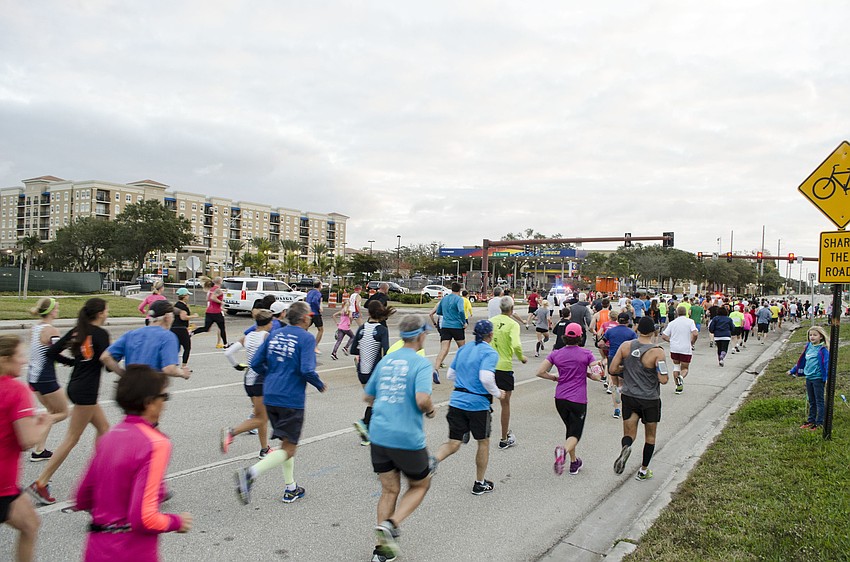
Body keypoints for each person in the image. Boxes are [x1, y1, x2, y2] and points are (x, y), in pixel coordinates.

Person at [73, 364, 192, 561]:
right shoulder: (156, 443)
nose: (165, 403)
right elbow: (145, 518)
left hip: (96, 549)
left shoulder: (109, 436)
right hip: (132, 551)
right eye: (164, 397)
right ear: (149, 402)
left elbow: (82, 498)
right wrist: (176, 522)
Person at [235, 302, 328, 506]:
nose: (311, 318)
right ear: (304, 318)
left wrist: (274, 374)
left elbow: (257, 363)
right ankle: (250, 473)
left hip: (270, 394)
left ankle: (290, 487)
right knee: (289, 448)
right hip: (290, 398)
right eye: (310, 315)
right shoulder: (306, 338)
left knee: (286, 442)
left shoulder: (275, 334)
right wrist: (319, 384)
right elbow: (306, 370)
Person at [363, 315, 435, 562]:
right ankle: (392, 524)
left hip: (379, 434)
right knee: (421, 484)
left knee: (389, 490)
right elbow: (422, 399)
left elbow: (368, 397)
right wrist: (431, 410)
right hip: (405, 437)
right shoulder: (421, 363)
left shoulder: (386, 361)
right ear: (420, 335)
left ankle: (381, 550)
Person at [28, 299, 111, 506]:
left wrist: (74, 362)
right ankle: (41, 482)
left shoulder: (79, 330)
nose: (108, 313)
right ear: (100, 313)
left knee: (104, 429)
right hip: (86, 392)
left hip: (76, 386)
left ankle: (100, 476)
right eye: (106, 310)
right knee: (72, 438)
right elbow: (108, 364)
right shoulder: (99, 334)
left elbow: (52, 351)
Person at [432, 320, 502, 496]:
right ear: (491, 335)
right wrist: (499, 394)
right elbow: (486, 378)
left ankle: (432, 461)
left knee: (454, 442)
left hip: (457, 401)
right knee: (483, 441)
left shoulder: (464, 349)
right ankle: (479, 482)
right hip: (478, 404)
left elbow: (450, 374)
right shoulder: (490, 352)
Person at [0, 335, 49, 562]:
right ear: (6, 359)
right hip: (1, 484)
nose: (24, 361)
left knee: (30, 524)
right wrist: (44, 423)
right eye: (20, 356)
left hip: (7, 488)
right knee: (30, 525)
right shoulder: (15, 391)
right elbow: (28, 440)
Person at [536, 323, 604, 475]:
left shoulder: (556, 354)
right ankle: (563, 452)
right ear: (580, 337)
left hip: (560, 398)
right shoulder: (587, 354)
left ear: (565, 337)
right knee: (576, 433)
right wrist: (591, 373)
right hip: (578, 399)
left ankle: (574, 463)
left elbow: (540, 372)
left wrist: (554, 378)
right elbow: (598, 375)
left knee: (570, 429)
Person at [609, 317, 668, 481]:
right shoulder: (657, 351)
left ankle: (626, 447)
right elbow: (663, 379)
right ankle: (643, 470)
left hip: (629, 396)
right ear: (653, 332)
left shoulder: (626, 346)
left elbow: (613, 369)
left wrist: (627, 368)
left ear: (637, 329)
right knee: (650, 436)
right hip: (650, 399)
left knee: (630, 432)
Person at [222, 309, 274, 458]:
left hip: (248, 379)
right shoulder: (267, 337)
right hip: (260, 380)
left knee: (260, 415)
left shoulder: (248, 336)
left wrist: (236, 365)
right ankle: (231, 432)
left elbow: (228, 352)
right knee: (261, 418)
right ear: (268, 323)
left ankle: (265, 449)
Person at [101, 300, 191, 380]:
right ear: (167, 317)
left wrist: (123, 374)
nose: (173, 319)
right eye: (173, 316)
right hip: (151, 390)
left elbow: (105, 357)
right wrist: (183, 373)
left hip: (129, 391)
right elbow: (169, 369)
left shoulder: (131, 334)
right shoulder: (168, 337)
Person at [26, 297, 67, 462]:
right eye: (56, 308)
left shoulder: (35, 327)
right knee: (63, 412)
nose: (58, 310)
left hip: (32, 377)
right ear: (50, 311)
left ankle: (39, 450)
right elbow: (57, 352)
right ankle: (34, 435)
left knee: (50, 411)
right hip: (45, 377)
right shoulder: (51, 330)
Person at [351, 301, 394, 446]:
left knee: (374, 400)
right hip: (375, 371)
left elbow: (353, 350)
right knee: (380, 401)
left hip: (362, 371)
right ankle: (364, 424)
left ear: (368, 313)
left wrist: (363, 350)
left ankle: (368, 434)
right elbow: (387, 351)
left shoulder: (362, 328)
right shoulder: (382, 330)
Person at [489, 296, 527, 450]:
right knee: (505, 403)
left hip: (488, 365)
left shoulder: (491, 321)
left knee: (485, 399)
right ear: (511, 310)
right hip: (504, 367)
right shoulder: (513, 324)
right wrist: (521, 357)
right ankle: (504, 438)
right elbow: (516, 344)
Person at [788, 326, 829, 431]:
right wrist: (793, 370)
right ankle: (811, 420)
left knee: (819, 400)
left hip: (818, 378)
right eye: (810, 335)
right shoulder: (808, 346)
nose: (812, 337)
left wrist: (827, 377)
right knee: (811, 400)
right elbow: (802, 361)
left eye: (815, 335)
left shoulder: (822, 350)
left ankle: (819, 422)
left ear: (821, 337)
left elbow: (826, 364)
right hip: (809, 377)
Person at [601, 312, 637, 418]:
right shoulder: (631, 333)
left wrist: (608, 348)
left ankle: (616, 409)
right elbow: (635, 346)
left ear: (618, 320)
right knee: (625, 383)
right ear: (628, 321)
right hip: (625, 359)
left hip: (612, 357)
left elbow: (601, 343)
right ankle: (625, 405)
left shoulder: (610, 331)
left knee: (614, 383)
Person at [429, 282, 466, 383]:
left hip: (445, 325)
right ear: (460, 290)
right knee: (462, 349)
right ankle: (462, 370)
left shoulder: (444, 299)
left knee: (444, 349)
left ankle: (436, 369)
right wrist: (464, 322)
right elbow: (461, 311)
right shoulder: (459, 299)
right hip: (457, 326)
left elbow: (439, 311)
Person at [661, 306, 698, 395]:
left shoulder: (672, 323)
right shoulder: (690, 322)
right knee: (685, 368)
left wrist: (671, 340)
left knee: (676, 366)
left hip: (674, 348)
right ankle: (681, 377)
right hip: (685, 348)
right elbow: (695, 333)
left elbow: (664, 336)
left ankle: (678, 387)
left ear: (676, 313)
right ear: (685, 313)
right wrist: (692, 341)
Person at [190, 277, 230, 348]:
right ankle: (225, 344)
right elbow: (213, 298)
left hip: (209, 311)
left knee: (206, 328)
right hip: (216, 312)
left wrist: (222, 309)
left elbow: (208, 299)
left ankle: (192, 332)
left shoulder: (210, 290)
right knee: (222, 328)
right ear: (220, 282)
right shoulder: (218, 290)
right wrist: (221, 302)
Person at [171, 288, 198, 369]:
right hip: (181, 329)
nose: (188, 297)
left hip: (173, 328)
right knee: (187, 347)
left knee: (176, 347)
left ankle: (173, 364)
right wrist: (193, 316)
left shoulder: (176, 305)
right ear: (184, 296)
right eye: (187, 295)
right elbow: (183, 317)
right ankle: (184, 365)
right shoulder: (182, 307)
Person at [305, 280, 324, 354]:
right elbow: (314, 301)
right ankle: (315, 346)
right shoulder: (318, 293)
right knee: (320, 329)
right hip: (315, 313)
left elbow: (308, 300)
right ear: (319, 286)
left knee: (305, 328)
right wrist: (319, 307)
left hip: (309, 312)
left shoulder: (309, 292)